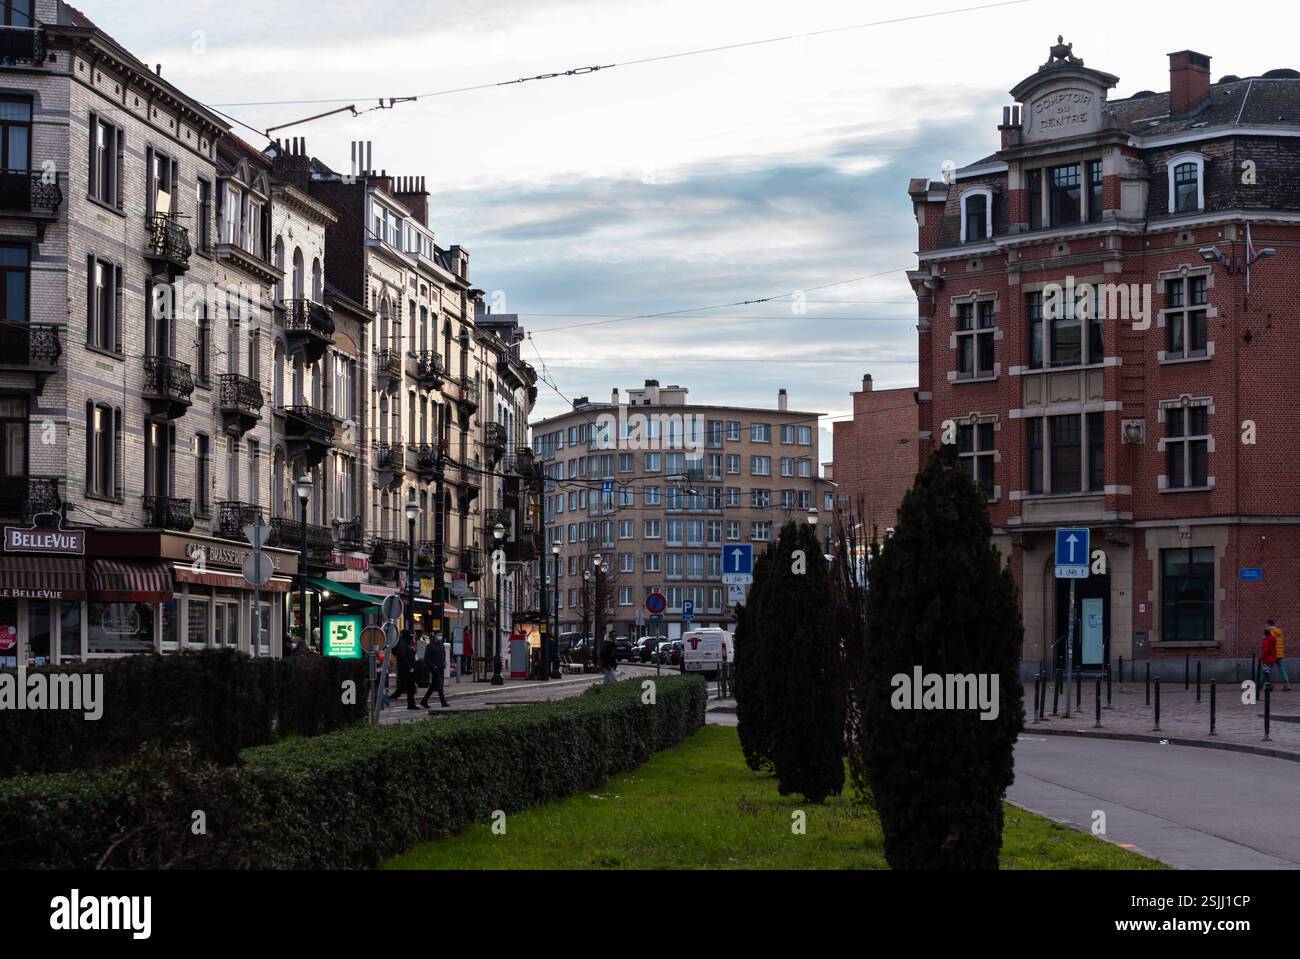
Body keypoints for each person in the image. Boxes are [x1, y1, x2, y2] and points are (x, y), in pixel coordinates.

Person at [422, 632, 450, 708]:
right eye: (439, 635)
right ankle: (443, 702)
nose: (440, 636)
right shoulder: (430, 645)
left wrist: (444, 663)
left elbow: (443, 655)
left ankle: (424, 701)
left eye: (441, 635)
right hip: (435, 668)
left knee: (433, 686)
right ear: (435, 636)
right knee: (440, 686)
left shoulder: (441, 645)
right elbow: (426, 658)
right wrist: (433, 666)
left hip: (441, 668)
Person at [393, 631, 419, 709]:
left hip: (408, 670)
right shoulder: (402, 645)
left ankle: (411, 704)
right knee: (408, 687)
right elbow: (402, 658)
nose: (411, 637)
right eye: (410, 635)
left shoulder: (406, 644)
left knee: (404, 687)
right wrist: (409, 667)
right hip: (407, 670)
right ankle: (410, 704)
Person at [1268, 619, 1291, 691]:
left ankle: (1259, 685)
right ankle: (1287, 685)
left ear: (1269, 625)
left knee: (1265, 670)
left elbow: (1269, 643)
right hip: (1280, 654)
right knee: (1282, 670)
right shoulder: (1280, 631)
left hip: (1272, 654)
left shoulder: (1270, 632)